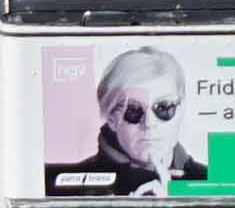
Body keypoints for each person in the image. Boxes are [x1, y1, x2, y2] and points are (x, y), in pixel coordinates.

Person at [64, 47, 206, 197]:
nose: (149, 123)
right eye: (133, 109)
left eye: (164, 107)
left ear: (181, 109)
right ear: (111, 118)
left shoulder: (209, 182)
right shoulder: (69, 188)